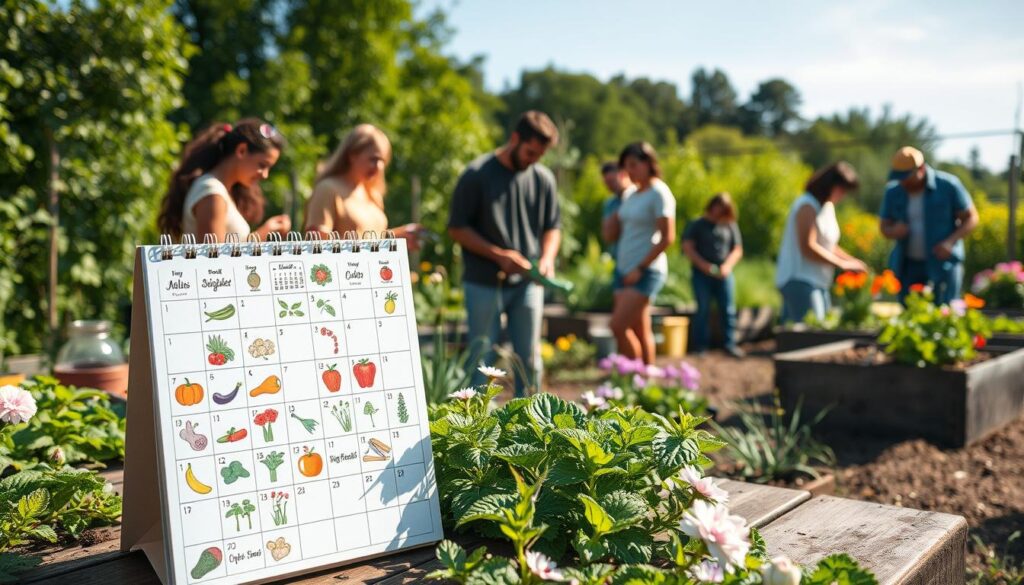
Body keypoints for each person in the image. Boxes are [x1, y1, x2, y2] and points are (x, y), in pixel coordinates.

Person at [447, 111, 562, 395]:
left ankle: (532, 424)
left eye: (540, 155)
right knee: (482, 359)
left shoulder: (542, 178)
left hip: (527, 284)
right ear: (514, 139)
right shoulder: (477, 175)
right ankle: (475, 428)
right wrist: (499, 255)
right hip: (483, 282)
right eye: (530, 152)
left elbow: (552, 228)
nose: (533, 160)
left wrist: (547, 259)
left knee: (530, 360)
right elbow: (457, 228)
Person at [158, 119, 291, 240]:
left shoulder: (220, 190)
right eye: (262, 165)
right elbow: (215, 260)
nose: (265, 175)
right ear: (242, 151)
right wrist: (262, 235)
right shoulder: (211, 192)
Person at [606, 142, 676, 365]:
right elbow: (611, 234)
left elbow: (667, 238)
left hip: (645, 270)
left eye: (634, 165)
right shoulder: (631, 194)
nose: (630, 171)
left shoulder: (659, 192)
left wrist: (641, 268)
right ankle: (647, 380)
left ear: (649, 163)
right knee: (638, 328)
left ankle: (633, 378)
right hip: (624, 268)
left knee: (618, 326)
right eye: (626, 167)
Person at [879, 146, 978, 303]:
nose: (903, 182)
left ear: (921, 169)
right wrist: (893, 231)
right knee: (910, 312)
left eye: (907, 177)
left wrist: (950, 242)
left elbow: (971, 218)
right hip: (908, 265)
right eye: (900, 177)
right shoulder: (893, 192)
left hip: (943, 264)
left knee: (945, 311)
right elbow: (884, 227)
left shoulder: (948, 186)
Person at [776, 162, 868, 323]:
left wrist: (851, 261)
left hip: (818, 280)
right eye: (842, 190)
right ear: (831, 185)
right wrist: (842, 264)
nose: (843, 195)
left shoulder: (826, 207)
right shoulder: (807, 205)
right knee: (812, 331)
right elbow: (807, 247)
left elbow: (829, 245)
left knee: (818, 328)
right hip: (800, 278)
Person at [304, 124, 420, 248]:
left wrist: (396, 237)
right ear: (352, 155)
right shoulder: (327, 189)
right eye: (374, 159)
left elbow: (370, 240)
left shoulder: (373, 195)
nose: (379, 167)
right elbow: (316, 245)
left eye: (383, 161)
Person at [682, 193, 744, 357]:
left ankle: (729, 344)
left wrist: (727, 266)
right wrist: (704, 266)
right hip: (702, 274)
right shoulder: (697, 224)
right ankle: (701, 346)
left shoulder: (729, 225)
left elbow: (737, 249)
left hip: (724, 273)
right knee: (703, 309)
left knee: (728, 309)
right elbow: (688, 247)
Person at [600, 161, 634, 259]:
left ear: (623, 175)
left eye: (612, 181)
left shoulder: (638, 196)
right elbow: (608, 236)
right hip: (618, 257)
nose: (610, 186)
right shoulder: (610, 204)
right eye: (607, 183)